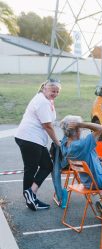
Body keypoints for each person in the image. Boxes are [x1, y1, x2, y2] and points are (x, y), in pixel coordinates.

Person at [15, 79, 62, 211]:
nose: (55, 93)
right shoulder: (42, 102)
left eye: (57, 91)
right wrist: (57, 142)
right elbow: (47, 125)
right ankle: (30, 199)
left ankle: (30, 193)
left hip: (34, 139)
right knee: (31, 168)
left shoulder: (46, 99)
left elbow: (49, 121)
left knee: (47, 165)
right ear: (45, 89)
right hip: (29, 138)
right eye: (53, 91)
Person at [60, 116, 102, 190]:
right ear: (77, 130)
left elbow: (66, 132)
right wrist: (81, 124)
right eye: (81, 129)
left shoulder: (64, 145)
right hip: (99, 181)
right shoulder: (80, 145)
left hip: (87, 182)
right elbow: (100, 128)